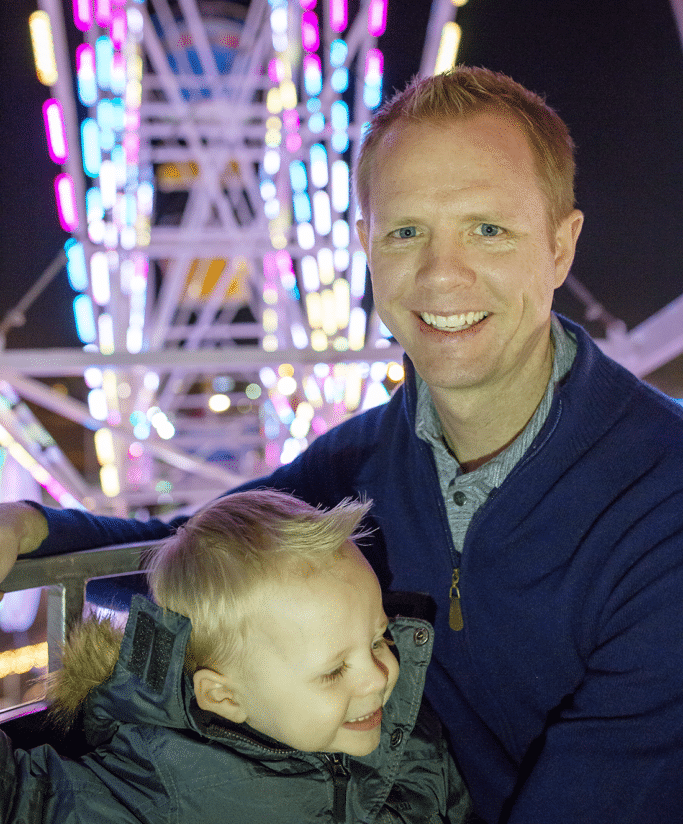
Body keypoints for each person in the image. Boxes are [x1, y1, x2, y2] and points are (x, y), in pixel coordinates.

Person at [2, 65, 683, 822]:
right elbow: (203, 566)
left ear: (560, 246)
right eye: (405, 232)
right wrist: (36, 527)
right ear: (364, 245)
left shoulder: (664, 498)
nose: (441, 273)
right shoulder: (362, 460)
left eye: (488, 230)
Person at [0, 489, 471, 823]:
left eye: (378, 639)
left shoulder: (400, 725)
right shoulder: (163, 786)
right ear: (224, 697)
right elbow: (25, 800)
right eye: (333, 672)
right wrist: (25, 524)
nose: (379, 677)